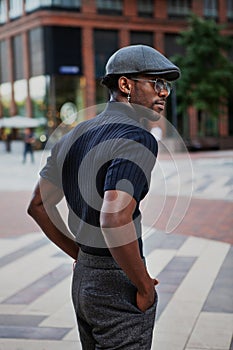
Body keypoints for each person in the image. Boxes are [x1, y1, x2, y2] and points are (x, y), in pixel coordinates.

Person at [28, 44, 180, 349]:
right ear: (125, 85)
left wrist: (80, 256)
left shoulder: (73, 135)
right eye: (156, 83)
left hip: (84, 279)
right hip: (117, 281)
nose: (164, 93)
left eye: (167, 85)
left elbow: (38, 206)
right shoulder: (137, 137)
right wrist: (144, 286)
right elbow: (114, 217)